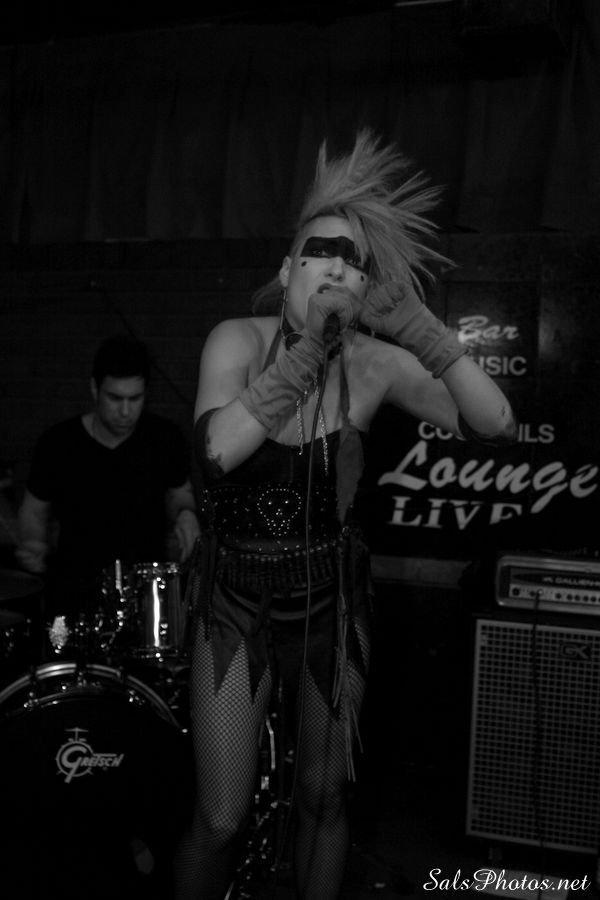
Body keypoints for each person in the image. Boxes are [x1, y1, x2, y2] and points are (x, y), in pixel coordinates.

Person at [174, 129, 517, 900]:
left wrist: (424, 333)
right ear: (286, 270)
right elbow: (216, 452)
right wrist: (308, 352)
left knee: (325, 797)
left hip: (331, 600)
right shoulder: (237, 340)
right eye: (320, 252)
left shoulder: (375, 363)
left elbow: (496, 422)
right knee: (221, 817)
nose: (336, 266)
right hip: (234, 603)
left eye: (354, 260)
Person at [16, 335, 200, 651]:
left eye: (135, 398)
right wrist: (33, 550)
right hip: (74, 594)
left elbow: (180, 494)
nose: (126, 411)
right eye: (115, 398)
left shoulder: (165, 439)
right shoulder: (59, 443)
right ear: (94, 388)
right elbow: (34, 511)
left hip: (145, 598)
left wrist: (186, 514)